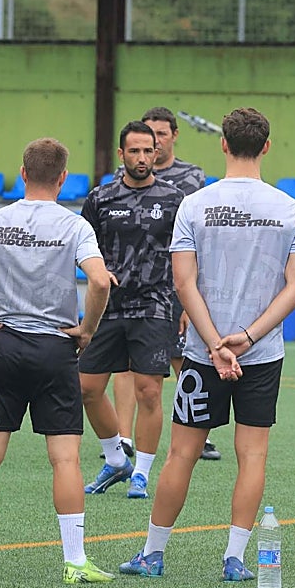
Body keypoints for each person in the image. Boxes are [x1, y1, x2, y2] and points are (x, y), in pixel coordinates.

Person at [119, 107, 295, 582]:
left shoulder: (194, 204)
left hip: (203, 354)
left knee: (181, 454)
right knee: (253, 456)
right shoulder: (290, 209)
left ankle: (152, 554)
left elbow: (184, 283)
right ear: (266, 147)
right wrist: (248, 337)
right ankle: (235, 558)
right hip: (261, 354)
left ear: (223, 144)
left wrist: (213, 343)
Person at [0, 138, 114, 584]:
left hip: (6, 347)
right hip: (56, 349)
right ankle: (75, 561)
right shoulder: (74, 225)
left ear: (22, 173)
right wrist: (87, 330)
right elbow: (99, 281)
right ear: (63, 178)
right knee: (66, 460)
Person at [80, 121, 185, 501]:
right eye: (134, 151)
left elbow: (189, 255)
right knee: (87, 389)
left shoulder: (175, 199)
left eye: (147, 151)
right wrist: (96, 271)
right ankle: (115, 459)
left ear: (156, 153)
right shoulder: (100, 198)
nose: (142, 158)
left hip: (155, 306)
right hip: (106, 307)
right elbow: (82, 247)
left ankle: (140, 473)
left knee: (149, 392)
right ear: (121, 154)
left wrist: (187, 305)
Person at [116, 106, 219, 461]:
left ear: (174, 135)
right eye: (149, 134)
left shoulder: (191, 176)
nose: (155, 141)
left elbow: (200, 233)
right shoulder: (122, 176)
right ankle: (123, 438)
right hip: (132, 285)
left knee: (184, 357)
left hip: (176, 280)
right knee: (127, 364)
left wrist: (196, 289)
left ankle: (199, 433)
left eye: (161, 133)